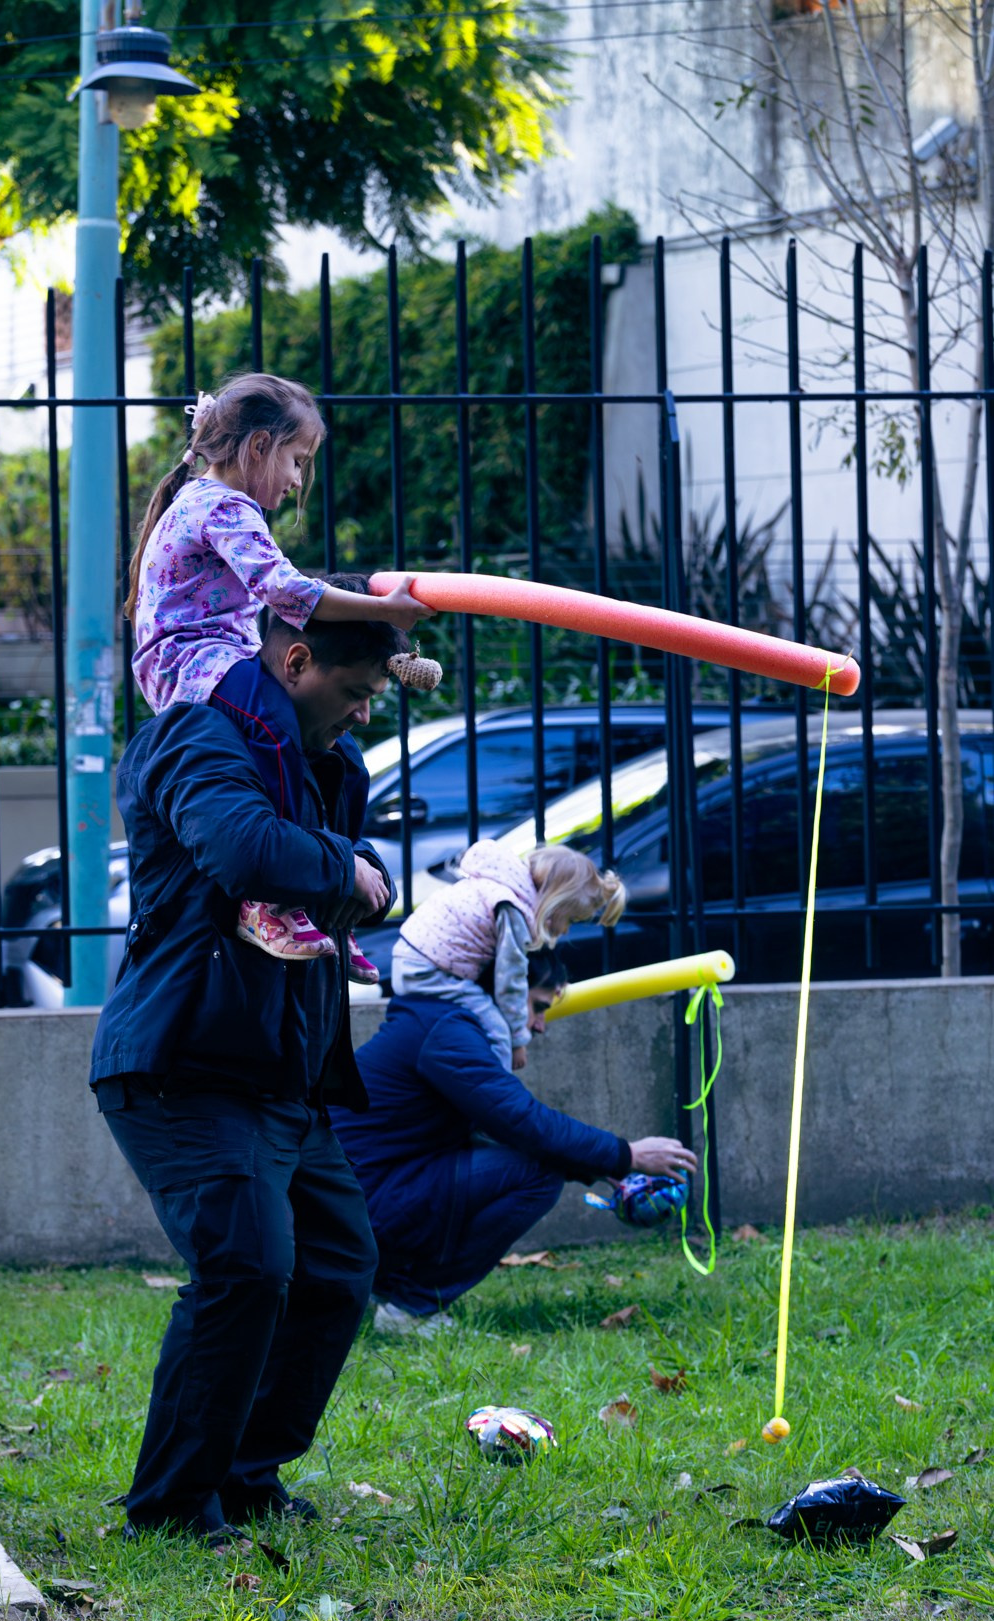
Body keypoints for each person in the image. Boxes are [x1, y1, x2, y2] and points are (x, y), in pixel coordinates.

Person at [89, 581, 410, 1546]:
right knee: (246, 1268)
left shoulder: (321, 761)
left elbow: (340, 870)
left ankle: (243, 1468)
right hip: (185, 1064)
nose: (363, 714)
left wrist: (359, 873)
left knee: (336, 1270)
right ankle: (174, 1505)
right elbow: (237, 847)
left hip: (281, 1074)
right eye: (354, 691)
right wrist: (346, 868)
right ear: (294, 659)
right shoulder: (200, 736)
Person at [125, 372, 428, 981]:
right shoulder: (222, 505)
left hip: (218, 656)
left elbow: (285, 601)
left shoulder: (210, 504)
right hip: (193, 663)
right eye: (297, 460)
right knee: (274, 731)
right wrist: (384, 610)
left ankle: (326, 910)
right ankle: (273, 904)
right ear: (258, 446)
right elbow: (289, 594)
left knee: (343, 761)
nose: (296, 481)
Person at [329, 948, 697, 1334]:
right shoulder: (447, 1032)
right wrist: (627, 1155)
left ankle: (390, 1290)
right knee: (536, 1175)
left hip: (370, 1197)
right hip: (362, 1210)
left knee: (521, 1160)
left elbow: (510, 1128)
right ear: (506, 989)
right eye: (538, 1007)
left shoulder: (440, 1020)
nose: (540, 1026)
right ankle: (411, 1305)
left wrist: (602, 1169)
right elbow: (524, 1122)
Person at [391, 839, 624, 1070]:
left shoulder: (499, 884)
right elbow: (510, 981)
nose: (565, 930)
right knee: (497, 1030)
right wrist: (517, 1040)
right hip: (428, 972)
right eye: (570, 919)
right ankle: (498, 1083)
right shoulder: (513, 909)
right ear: (556, 902)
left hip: (411, 959)